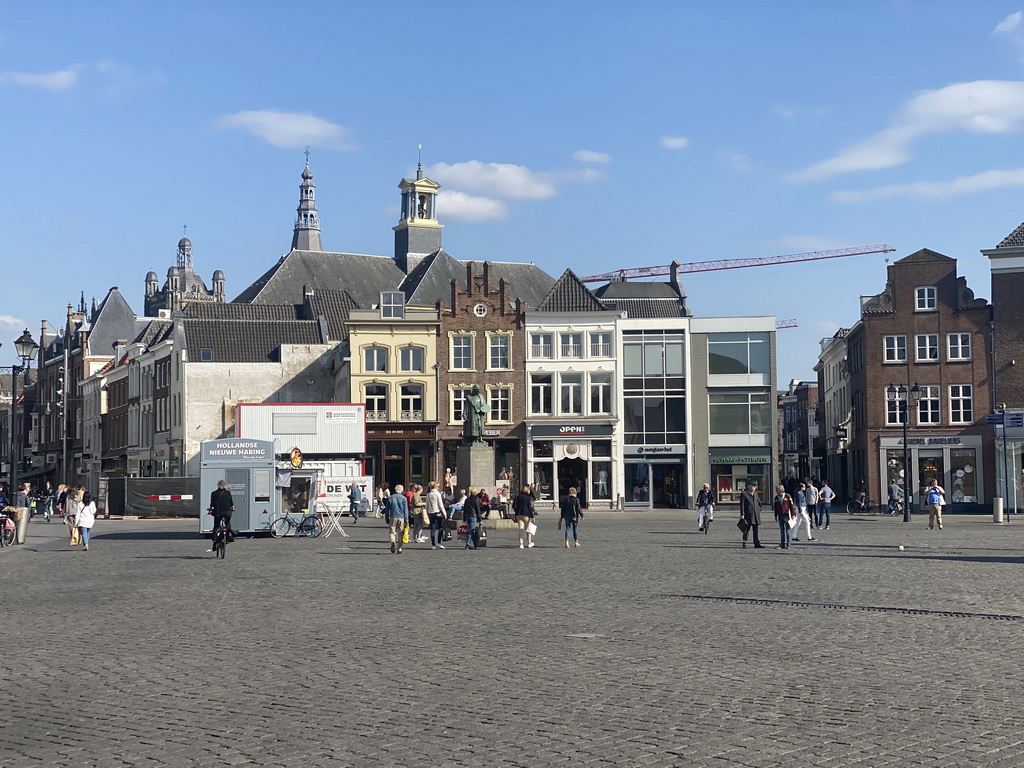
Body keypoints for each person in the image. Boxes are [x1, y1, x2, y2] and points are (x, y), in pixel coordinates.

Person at [207, 479, 234, 553]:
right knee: (227, 524)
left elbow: (212, 503)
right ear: (225, 486)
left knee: (216, 525)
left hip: (218, 513)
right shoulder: (228, 493)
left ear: (218, 486)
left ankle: (214, 542)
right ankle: (228, 538)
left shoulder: (214, 493)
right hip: (227, 512)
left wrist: (211, 508)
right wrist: (232, 507)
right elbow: (231, 503)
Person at [739, 481, 763, 549]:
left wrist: (759, 509)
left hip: (755, 514)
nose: (754, 487)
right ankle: (745, 543)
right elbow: (742, 504)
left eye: (755, 486)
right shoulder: (744, 493)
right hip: (748, 514)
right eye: (753, 486)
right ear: (749, 486)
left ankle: (756, 543)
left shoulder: (755, 494)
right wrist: (742, 513)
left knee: (756, 530)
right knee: (746, 529)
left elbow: (759, 503)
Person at [773, 484, 797, 549]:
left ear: (781, 490)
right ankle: (782, 544)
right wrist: (775, 515)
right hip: (780, 515)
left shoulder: (787, 496)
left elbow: (792, 506)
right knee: (781, 531)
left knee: (788, 530)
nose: (776, 492)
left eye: (777, 490)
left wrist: (793, 514)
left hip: (787, 515)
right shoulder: (776, 498)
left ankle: (789, 544)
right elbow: (775, 507)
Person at [387, 483, 409, 554]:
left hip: (393, 516)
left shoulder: (390, 498)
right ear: (402, 490)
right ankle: (399, 548)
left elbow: (387, 509)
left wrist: (387, 517)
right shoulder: (404, 498)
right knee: (401, 533)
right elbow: (405, 510)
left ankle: (393, 541)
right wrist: (407, 520)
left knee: (392, 532)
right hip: (401, 517)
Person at [513, 484, 536, 549]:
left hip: (518, 515)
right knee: (528, 529)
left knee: (521, 529)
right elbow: (529, 508)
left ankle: (521, 544)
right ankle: (529, 543)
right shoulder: (527, 498)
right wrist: (532, 516)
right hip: (526, 515)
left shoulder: (517, 496)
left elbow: (513, 505)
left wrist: (516, 511)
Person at [426, 481, 447, 550]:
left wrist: (427, 513)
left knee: (432, 529)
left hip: (430, 513)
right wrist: (444, 513)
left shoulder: (428, 495)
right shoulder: (437, 493)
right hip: (437, 512)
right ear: (435, 486)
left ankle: (433, 545)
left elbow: (427, 505)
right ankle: (438, 542)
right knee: (440, 527)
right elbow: (440, 505)